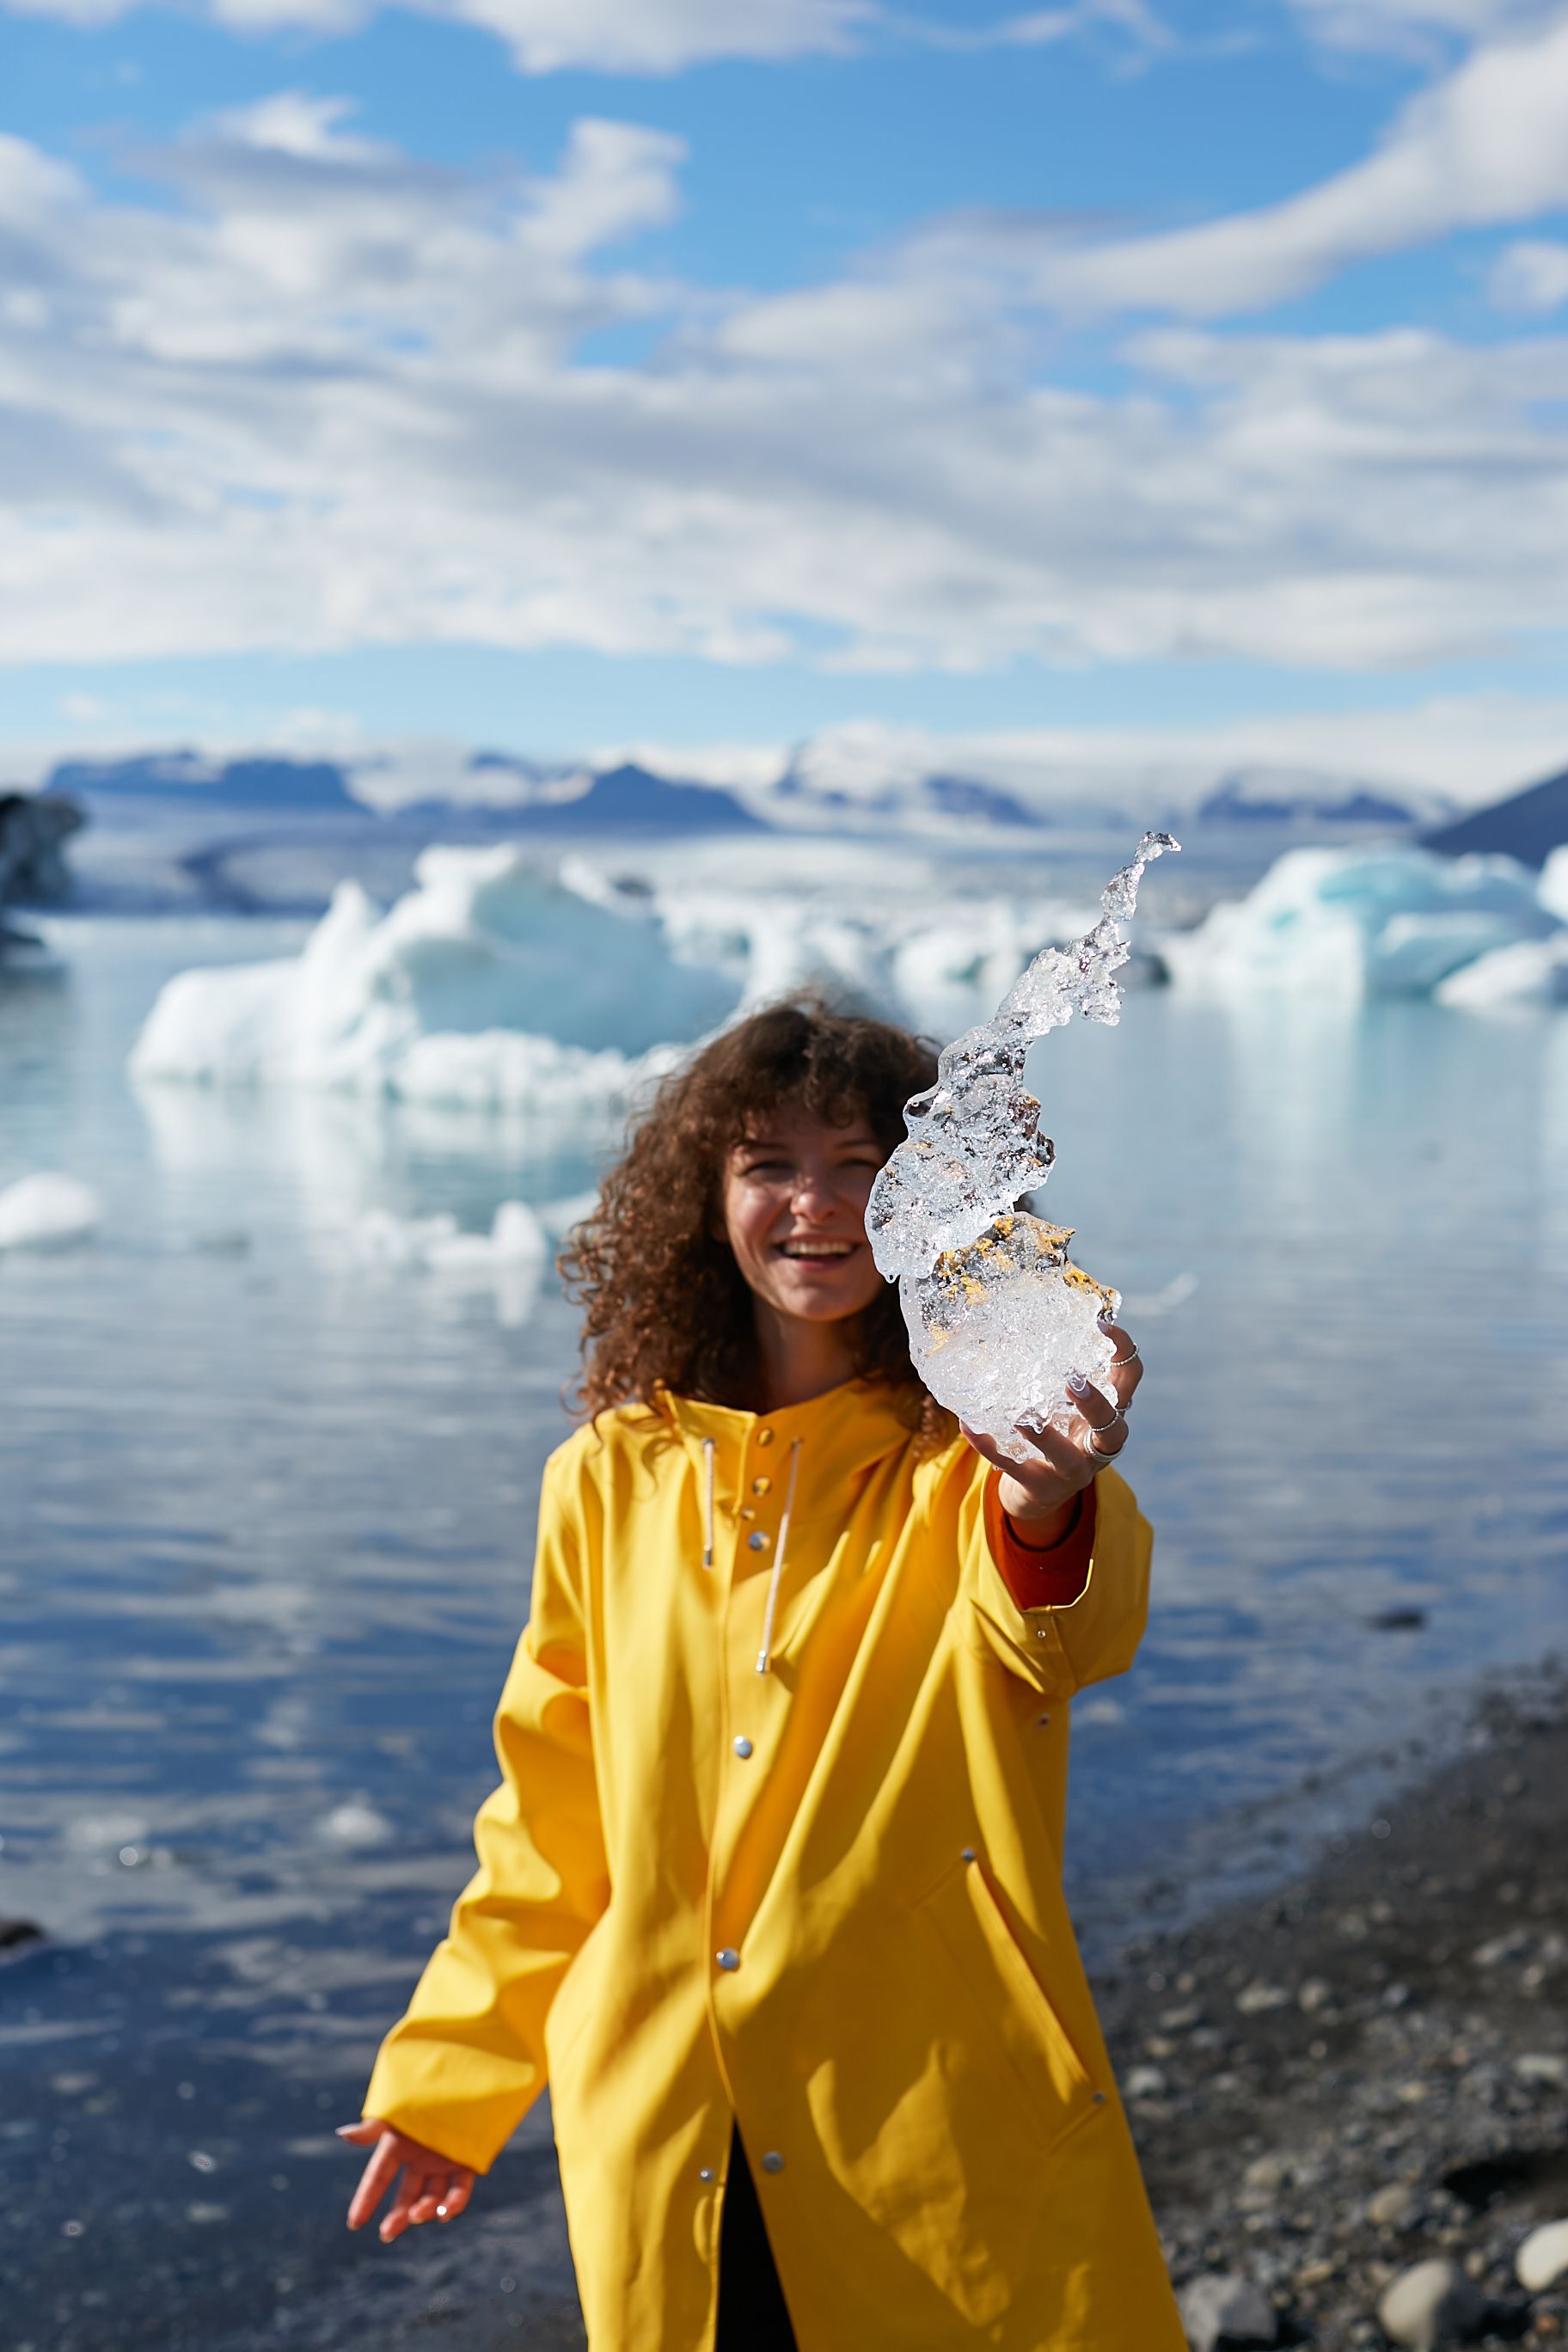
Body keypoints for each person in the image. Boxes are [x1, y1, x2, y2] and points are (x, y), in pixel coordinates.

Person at [340, 1000, 1187, 2349]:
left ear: (934, 1197)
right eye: (769, 1165)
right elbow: (548, 1826)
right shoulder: (608, 1482)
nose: (818, 1205)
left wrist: (1049, 1505)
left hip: (926, 2101)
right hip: (669, 2115)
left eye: (864, 1166)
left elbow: (1068, 1632)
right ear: (704, 1199)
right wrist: (453, 2073)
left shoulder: (973, 1458)